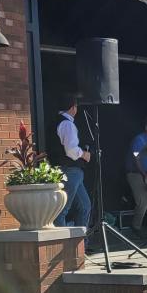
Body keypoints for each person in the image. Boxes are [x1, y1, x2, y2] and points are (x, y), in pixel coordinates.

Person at [49, 92, 92, 228]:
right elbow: (71, 150)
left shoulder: (58, 121)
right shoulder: (67, 124)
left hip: (69, 171)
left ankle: (80, 243)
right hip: (69, 170)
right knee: (62, 210)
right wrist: (84, 154)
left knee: (85, 206)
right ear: (73, 107)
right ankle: (64, 244)